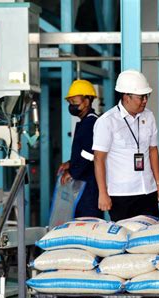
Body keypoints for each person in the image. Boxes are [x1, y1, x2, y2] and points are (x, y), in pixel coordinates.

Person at [92, 69, 159, 221]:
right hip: (121, 195)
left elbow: (153, 150)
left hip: (148, 190)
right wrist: (103, 193)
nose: (145, 100)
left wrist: (158, 184)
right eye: (141, 97)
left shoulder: (149, 116)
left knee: (151, 236)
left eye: (147, 96)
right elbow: (98, 159)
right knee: (125, 238)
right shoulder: (107, 121)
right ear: (126, 97)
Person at [57, 79, 102, 218]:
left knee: (88, 221)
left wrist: (72, 172)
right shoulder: (84, 122)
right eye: (70, 103)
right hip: (83, 182)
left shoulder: (91, 122)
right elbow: (83, 151)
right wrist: (70, 163)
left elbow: (90, 153)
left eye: (74, 102)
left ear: (87, 101)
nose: (71, 106)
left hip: (89, 184)